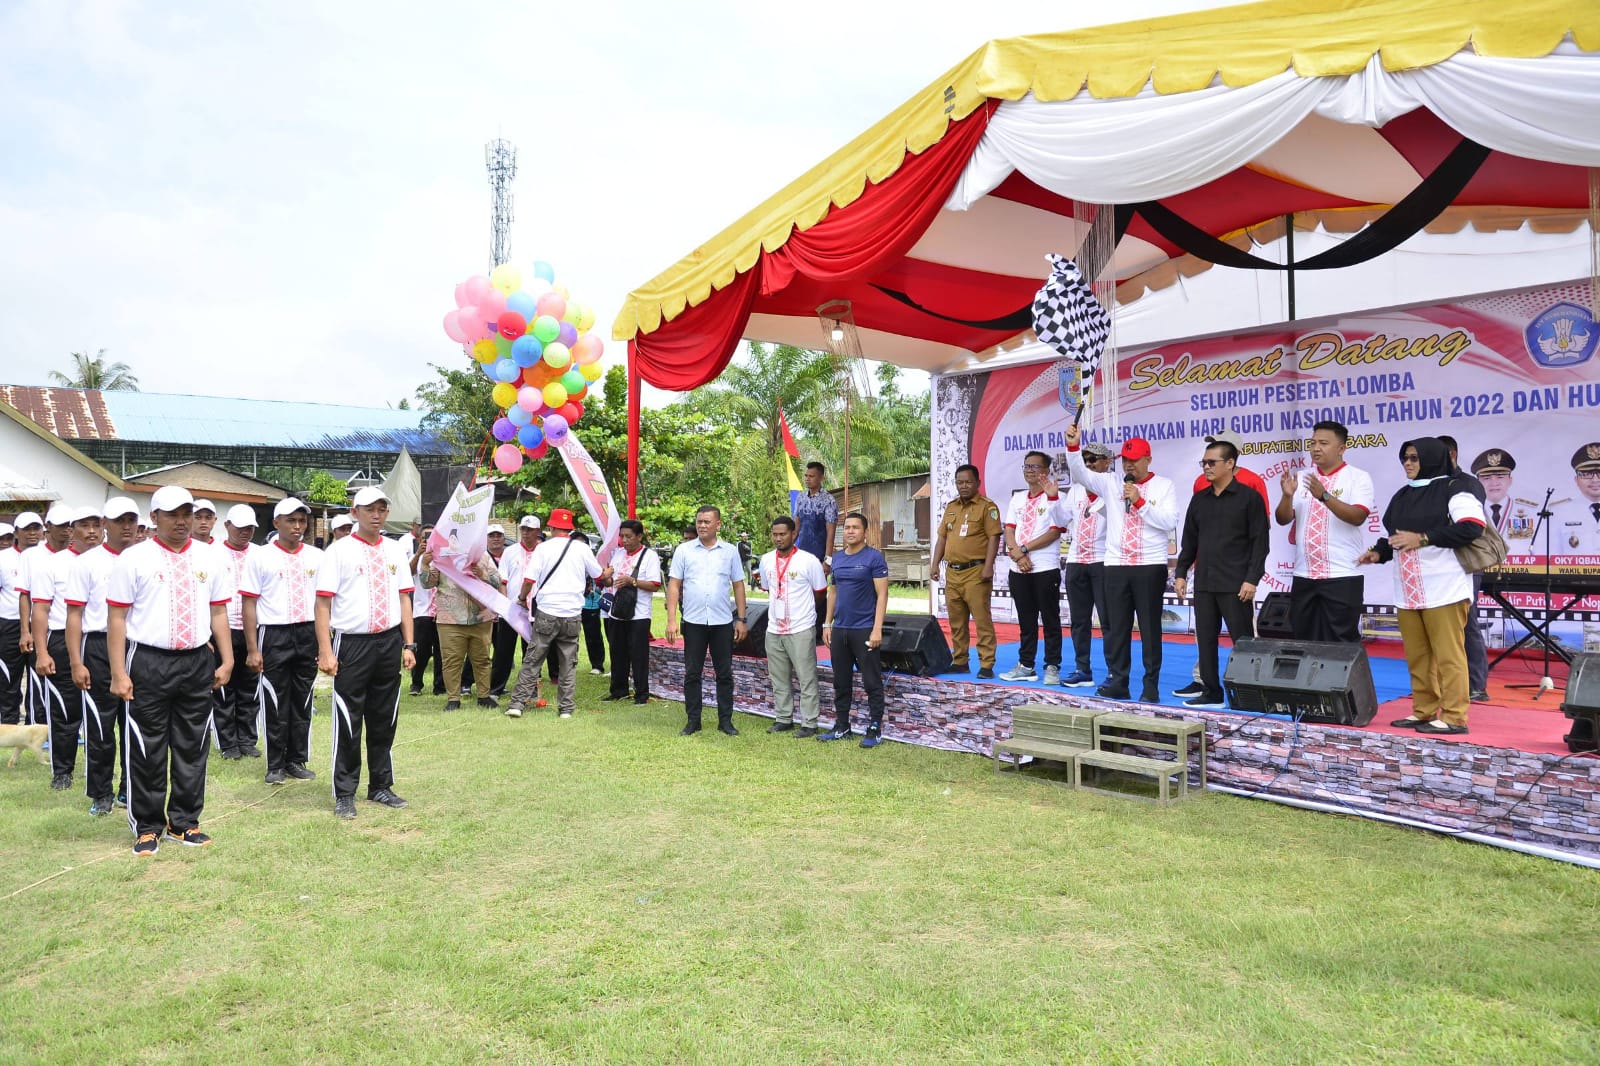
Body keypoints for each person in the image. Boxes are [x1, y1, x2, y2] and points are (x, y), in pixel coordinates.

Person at [107, 486, 234, 855]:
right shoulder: (134, 558)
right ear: (154, 517)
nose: (181, 521)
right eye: (172, 514)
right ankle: (147, 827)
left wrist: (226, 659)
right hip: (149, 662)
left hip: (196, 661)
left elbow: (218, 611)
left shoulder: (209, 556)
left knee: (193, 745)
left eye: (186, 514)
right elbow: (116, 618)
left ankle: (184, 822)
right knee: (147, 746)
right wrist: (118, 672)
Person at [1358, 438, 1486, 735]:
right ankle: (1424, 711)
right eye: (1405, 458)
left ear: (1431, 458)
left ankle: (1454, 716)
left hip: (1444, 586)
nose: (1408, 463)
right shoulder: (1404, 494)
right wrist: (1379, 553)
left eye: (1414, 458)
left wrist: (1424, 538)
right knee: (1418, 656)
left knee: (1449, 655)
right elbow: (1395, 536)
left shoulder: (1455, 488)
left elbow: (1471, 526)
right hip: (1408, 588)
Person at [314, 486, 416, 819]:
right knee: (348, 718)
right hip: (352, 644)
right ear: (354, 512)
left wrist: (408, 644)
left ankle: (381, 785)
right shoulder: (338, 551)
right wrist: (325, 650)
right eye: (369, 509)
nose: (376, 515)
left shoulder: (394, 550)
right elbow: (323, 604)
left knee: (384, 717)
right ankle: (345, 792)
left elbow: (404, 598)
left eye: (382, 509)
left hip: (388, 642)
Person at [1064, 428, 1182, 703]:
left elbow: (1169, 522)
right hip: (1116, 565)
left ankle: (1150, 685)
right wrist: (1073, 448)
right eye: (1126, 460)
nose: (1129, 465)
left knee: (1150, 628)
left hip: (1149, 565)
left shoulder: (1164, 485)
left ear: (1148, 459)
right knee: (1117, 627)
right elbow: (1081, 474)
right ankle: (1119, 682)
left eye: (1135, 460)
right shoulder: (1111, 482)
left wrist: (1139, 501)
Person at [1173, 439, 1270, 708]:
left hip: (1236, 584)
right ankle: (1211, 691)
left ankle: (1250, 693)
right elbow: (1189, 541)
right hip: (1205, 581)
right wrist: (1181, 573)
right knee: (1205, 640)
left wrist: (1252, 579)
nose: (1206, 467)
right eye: (1203, 462)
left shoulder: (1249, 498)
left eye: (1211, 462)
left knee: (1243, 641)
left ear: (1230, 463)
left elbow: (1260, 543)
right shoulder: (1199, 499)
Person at [240, 497, 324, 785]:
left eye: (302, 521)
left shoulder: (316, 556)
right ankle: (275, 763)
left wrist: (323, 642)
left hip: (307, 632)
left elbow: (323, 603)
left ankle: (296, 759)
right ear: (276, 523)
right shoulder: (260, 556)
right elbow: (249, 603)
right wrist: (253, 648)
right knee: (275, 699)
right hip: (274, 634)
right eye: (291, 520)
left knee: (303, 698)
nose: (297, 526)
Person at [65, 497, 139, 815]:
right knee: (100, 726)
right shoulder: (87, 563)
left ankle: (129, 790)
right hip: (97, 648)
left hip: (137, 648)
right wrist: (76, 662)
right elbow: (74, 615)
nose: (126, 526)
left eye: (131, 520)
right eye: (119, 520)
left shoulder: (146, 558)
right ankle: (101, 793)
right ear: (105, 524)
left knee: (135, 725)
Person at [1275, 420, 1375, 645]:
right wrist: (1287, 496)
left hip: (1342, 575)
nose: (1316, 448)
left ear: (1341, 448)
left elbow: (1358, 516)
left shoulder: (1358, 477)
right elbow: (1282, 519)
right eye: (1313, 443)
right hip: (1304, 575)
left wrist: (1324, 496)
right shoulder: (1301, 477)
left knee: (1341, 642)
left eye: (1323, 443)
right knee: (1303, 639)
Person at [32, 505, 104, 791]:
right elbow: (40, 609)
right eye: (84, 526)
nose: (91, 532)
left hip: (99, 640)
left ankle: (101, 773)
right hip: (62, 640)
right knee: (65, 709)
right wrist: (42, 651)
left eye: (96, 525)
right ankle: (62, 770)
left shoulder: (113, 561)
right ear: (71, 530)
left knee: (101, 712)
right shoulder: (52, 564)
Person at [506, 508, 601, 720]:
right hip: (572, 613)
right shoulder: (582, 548)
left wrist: (521, 597)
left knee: (533, 659)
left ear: (551, 527)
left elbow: (529, 580)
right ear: (570, 528)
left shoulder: (543, 548)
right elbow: (598, 575)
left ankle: (517, 704)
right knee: (568, 662)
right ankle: (566, 708)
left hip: (547, 611)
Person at [664, 505, 749, 736]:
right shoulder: (684, 551)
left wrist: (742, 619)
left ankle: (725, 721)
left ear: (717, 525)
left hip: (722, 621)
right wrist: (671, 619)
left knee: (724, 673)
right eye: (699, 521)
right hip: (694, 621)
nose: (702, 525)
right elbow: (674, 585)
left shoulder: (730, 551)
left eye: (707, 522)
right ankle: (693, 720)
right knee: (692, 673)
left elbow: (738, 585)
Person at [820, 512, 890, 746]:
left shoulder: (874, 558)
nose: (850, 531)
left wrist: (877, 629)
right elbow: (833, 592)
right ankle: (842, 726)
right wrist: (827, 623)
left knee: (871, 681)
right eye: (847, 527)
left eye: (855, 527)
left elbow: (882, 596)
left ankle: (874, 729)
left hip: (864, 629)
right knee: (841, 681)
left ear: (865, 532)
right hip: (840, 629)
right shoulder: (838, 559)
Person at [930, 463, 1002, 678]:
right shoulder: (951, 507)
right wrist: (934, 564)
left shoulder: (987, 507)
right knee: (956, 621)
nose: (963, 486)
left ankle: (986, 664)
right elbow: (942, 538)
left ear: (977, 483)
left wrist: (988, 566)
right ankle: (960, 660)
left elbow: (994, 538)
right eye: (959, 482)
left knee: (982, 620)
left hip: (976, 572)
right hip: (952, 572)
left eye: (968, 482)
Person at [419, 531, 504, 712]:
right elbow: (427, 583)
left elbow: (497, 581)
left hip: (480, 617)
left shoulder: (482, 556)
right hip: (450, 618)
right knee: (451, 662)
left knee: (482, 660)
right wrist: (425, 564)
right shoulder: (442, 557)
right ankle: (453, 699)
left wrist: (482, 574)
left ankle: (484, 696)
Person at [758, 516, 828, 736]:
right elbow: (769, 589)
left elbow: (820, 593)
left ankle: (809, 723)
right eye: (775, 534)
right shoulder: (766, 560)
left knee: (806, 677)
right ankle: (783, 718)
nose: (778, 538)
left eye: (783, 534)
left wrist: (804, 613)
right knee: (778, 677)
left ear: (794, 534)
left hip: (801, 628)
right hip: (774, 628)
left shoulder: (808, 561)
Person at [1001, 451, 1066, 684]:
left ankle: (1052, 666)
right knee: (1026, 620)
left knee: (1050, 619)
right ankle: (1026, 665)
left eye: (1035, 466)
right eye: (1026, 466)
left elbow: (1055, 532)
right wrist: (1018, 555)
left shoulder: (1056, 497)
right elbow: (1009, 529)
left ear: (1047, 471)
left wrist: (1024, 549)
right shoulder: (1018, 498)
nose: (1029, 470)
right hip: (1018, 568)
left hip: (1044, 568)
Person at [1058, 443, 1114, 688]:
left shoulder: (1113, 486)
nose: (1089, 464)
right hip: (1076, 560)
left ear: (1107, 462)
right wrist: (1053, 498)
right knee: (1079, 621)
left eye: (1094, 459)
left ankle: (1114, 672)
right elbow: (1061, 520)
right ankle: (1083, 670)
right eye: (1085, 460)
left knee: (1108, 620)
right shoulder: (1075, 490)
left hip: (1103, 560)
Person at [1439, 434, 1490, 704]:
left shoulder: (1468, 484)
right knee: (1442, 624)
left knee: (1466, 621)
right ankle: (1449, 683)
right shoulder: (1431, 484)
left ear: (1452, 455)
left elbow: (1468, 526)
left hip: (1464, 562)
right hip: (1438, 563)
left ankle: (1476, 685)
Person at [211, 505, 261, 761]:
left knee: (250, 687)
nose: (245, 532)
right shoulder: (213, 554)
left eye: (250, 528)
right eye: (240, 527)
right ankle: (228, 742)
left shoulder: (260, 554)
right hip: (224, 627)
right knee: (224, 687)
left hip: (253, 629)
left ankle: (247, 739)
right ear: (227, 525)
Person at [18, 505, 72, 725]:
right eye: (61, 526)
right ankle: (36, 725)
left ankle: (67, 727)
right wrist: (26, 630)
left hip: (71, 629)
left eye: (69, 525)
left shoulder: (79, 556)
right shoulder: (32, 555)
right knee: (39, 680)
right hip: (44, 628)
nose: (66, 530)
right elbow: (25, 594)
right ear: (48, 527)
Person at [600, 519, 662, 705]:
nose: (624, 540)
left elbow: (654, 585)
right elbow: (611, 582)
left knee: (638, 655)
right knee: (617, 652)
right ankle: (618, 691)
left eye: (629, 536)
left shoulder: (649, 556)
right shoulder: (618, 554)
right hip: (617, 611)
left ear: (639, 536)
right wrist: (606, 577)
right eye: (622, 536)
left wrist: (632, 581)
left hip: (639, 614)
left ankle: (641, 694)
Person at [0, 511, 43, 725]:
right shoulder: (3, 558)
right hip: (9, 624)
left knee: (38, 677)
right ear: (16, 532)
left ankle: (35, 725)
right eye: (27, 529)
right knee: (9, 677)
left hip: (41, 623)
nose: (32, 533)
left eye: (36, 528)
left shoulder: (48, 556)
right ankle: (8, 723)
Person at [490, 516, 541, 695]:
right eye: (523, 529)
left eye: (530, 530)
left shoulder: (543, 551)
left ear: (537, 531)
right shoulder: (510, 552)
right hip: (512, 608)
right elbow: (502, 580)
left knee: (532, 650)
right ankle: (496, 688)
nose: (525, 533)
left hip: (536, 609)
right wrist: (505, 605)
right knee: (503, 650)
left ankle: (531, 687)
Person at [794, 462, 839, 643]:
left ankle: (819, 630)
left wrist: (827, 560)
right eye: (806, 475)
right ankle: (802, 626)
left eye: (811, 476)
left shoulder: (829, 500)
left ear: (821, 478)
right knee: (801, 589)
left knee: (819, 591)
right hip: (801, 553)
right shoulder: (800, 497)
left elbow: (831, 532)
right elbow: (796, 526)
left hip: (819, 554)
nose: (807, 479)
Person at [407, 524, 445, 698]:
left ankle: (440, 685)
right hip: (422, 612)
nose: (429, 541)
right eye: (425, 537)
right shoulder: (417, 557)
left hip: (442, 612)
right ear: (419, 539)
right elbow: (408, 572)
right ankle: (416, 683)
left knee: (441, 651)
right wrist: (418, 554)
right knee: (421, 650)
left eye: (432, 537)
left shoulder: (443, 557)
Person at [1555, 442, 1600, 554]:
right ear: (1576, 479)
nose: (1595, 480)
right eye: (1587, 473)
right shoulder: (1557, 512)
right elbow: (1551, 558)